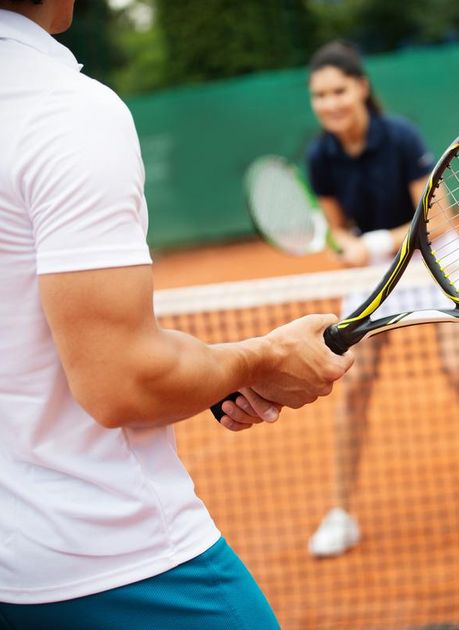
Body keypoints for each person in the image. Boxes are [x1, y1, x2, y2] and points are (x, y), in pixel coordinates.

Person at [0, 2, 354, 627]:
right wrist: (263, 358)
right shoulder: (63, 111)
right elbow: (123, 380)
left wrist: (218, 369)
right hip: (109, 566)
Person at [303, 41, 459, 557]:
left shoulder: (401, 136)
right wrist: (346, 247)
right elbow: (338, 229)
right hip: (378, 270)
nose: (330, 103)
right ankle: (341, 513)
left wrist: (373, 243)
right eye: (319, 95)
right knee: (353, 388)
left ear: (361, 88)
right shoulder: (320, 157)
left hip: (436, 258)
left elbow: (439, 218)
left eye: (338, 91)